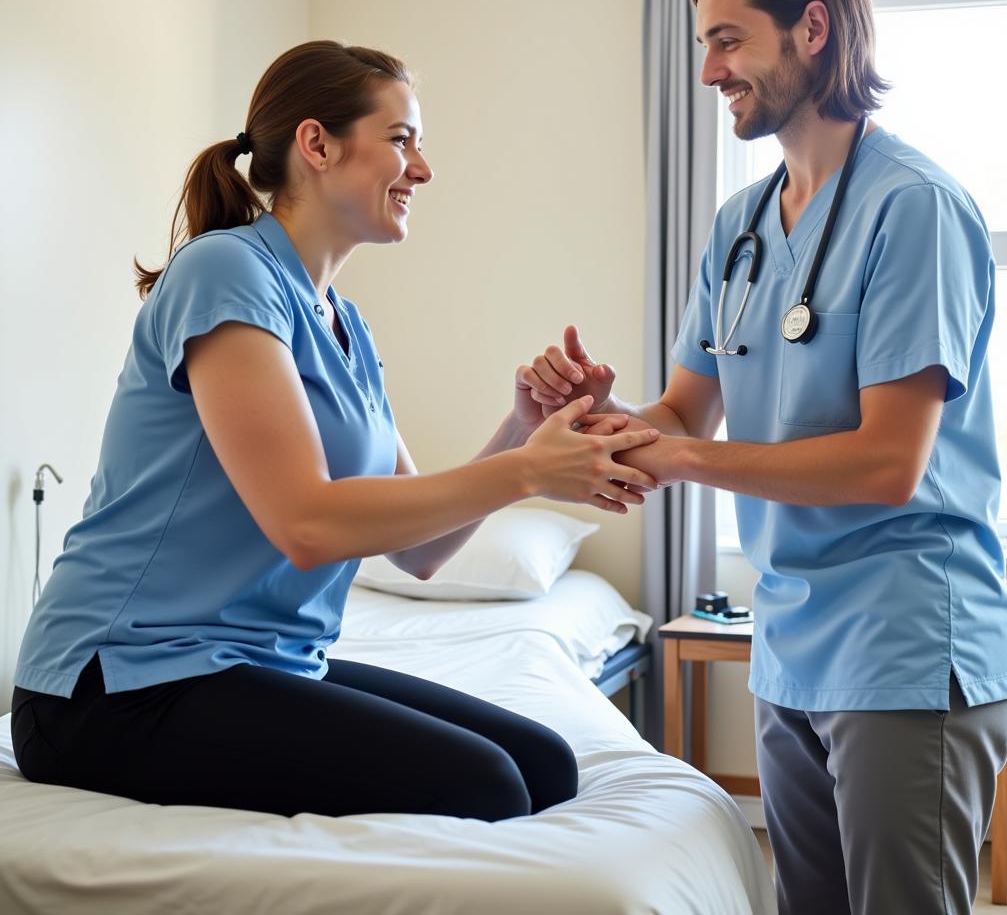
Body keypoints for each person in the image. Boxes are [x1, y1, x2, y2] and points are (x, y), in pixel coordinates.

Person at [11, 40, 662, 823]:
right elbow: (309, 525)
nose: (422, 169)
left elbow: (420, 552)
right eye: (401, 139)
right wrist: (528, 474)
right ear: (316, 144)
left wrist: (524, 435)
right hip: (116, 686)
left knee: (544, 766)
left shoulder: (342, 322)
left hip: (259, 665)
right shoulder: (226, 273)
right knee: (486, 785)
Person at [517, 0, 1007, 914]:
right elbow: (682, 410)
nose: (708, 70)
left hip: (905, 639)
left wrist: (683, 456)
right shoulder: (738, 227)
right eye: (701, 43)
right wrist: (599, 415)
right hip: (788, 640)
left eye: (726, 39)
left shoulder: (912, 208)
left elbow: (887, 462)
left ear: (814, 29)